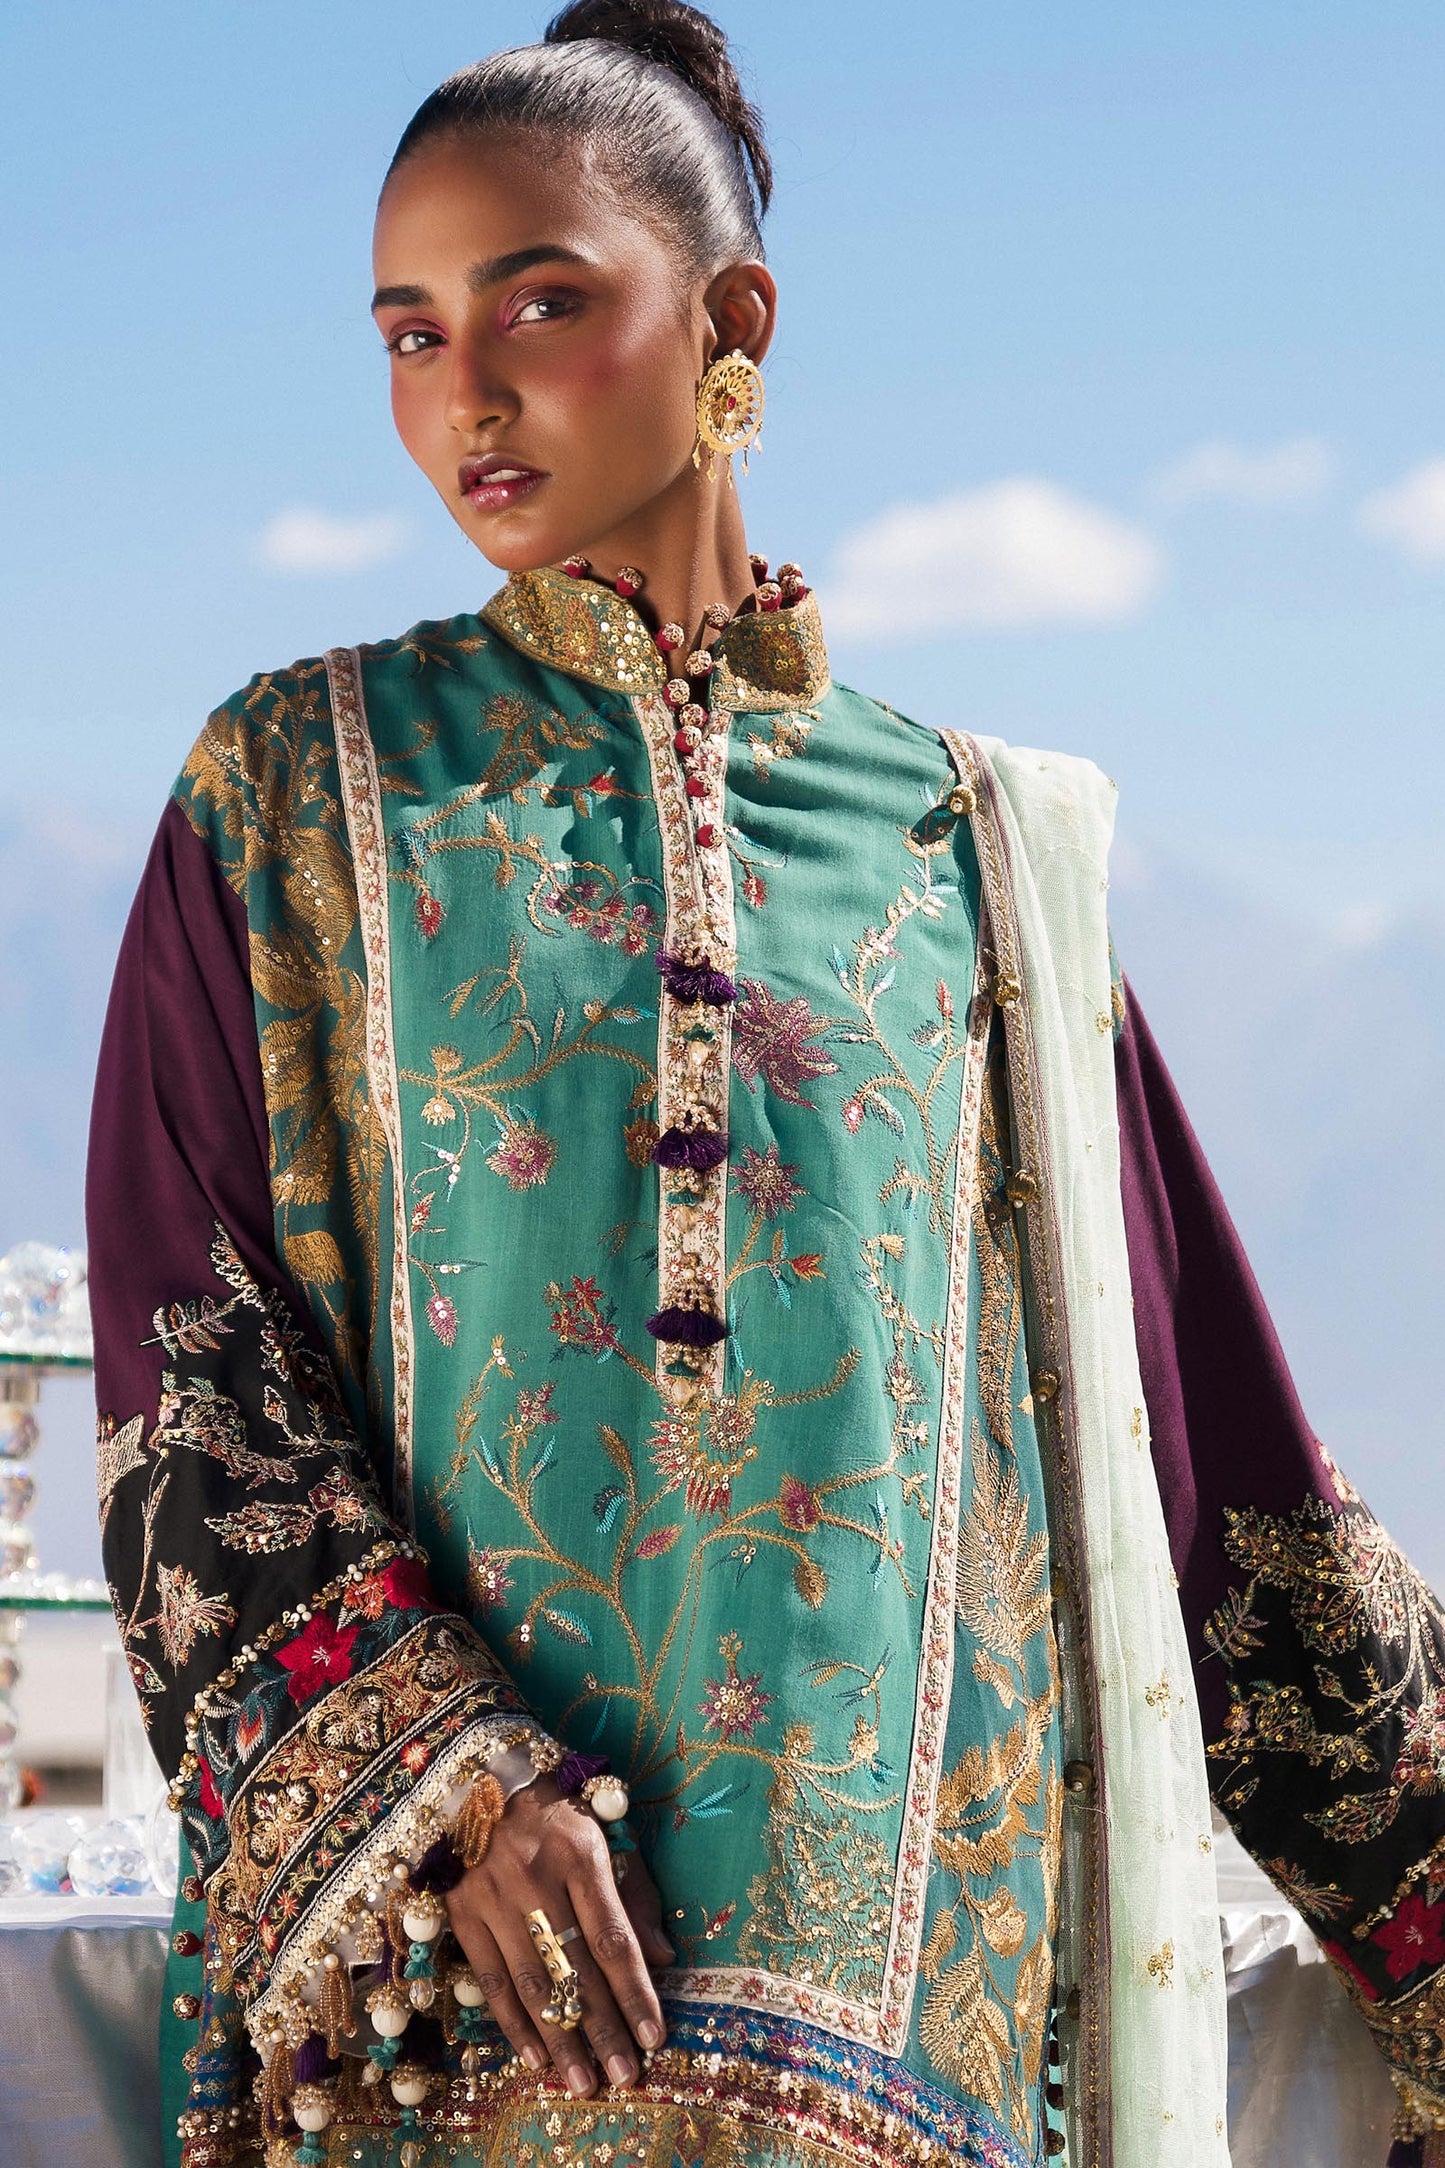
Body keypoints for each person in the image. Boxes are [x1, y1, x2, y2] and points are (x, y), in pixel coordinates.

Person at [87, 6, 1445, 2165]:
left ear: (731, 325)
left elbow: (1202, 1466)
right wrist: (450, 1789)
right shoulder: (293, 796)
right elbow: (194, 1359)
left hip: (911, 2060)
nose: (465, 392)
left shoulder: (977, 855)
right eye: (410, 333)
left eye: (539, 302)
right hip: (461, 2022)